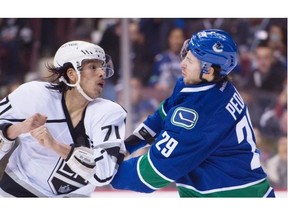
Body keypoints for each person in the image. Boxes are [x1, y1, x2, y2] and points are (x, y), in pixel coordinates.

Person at [111, 29, 275, 197]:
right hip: (239, 190)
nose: (182, 64)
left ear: (209, 71)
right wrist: (127, 147)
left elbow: (151, 174)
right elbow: (161, 118)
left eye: (189, 60)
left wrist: (104, 171)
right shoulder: (199, 85)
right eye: (186, 55)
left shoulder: (200, 113)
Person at [0, 40, 127, 197]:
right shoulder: (33, 95)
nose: (101, 72)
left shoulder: (109, 113)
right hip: (18, 189)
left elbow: (104, 174)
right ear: (72, 74)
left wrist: (55, 146)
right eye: (93, 67)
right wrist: (16, 129)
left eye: (101, 67)